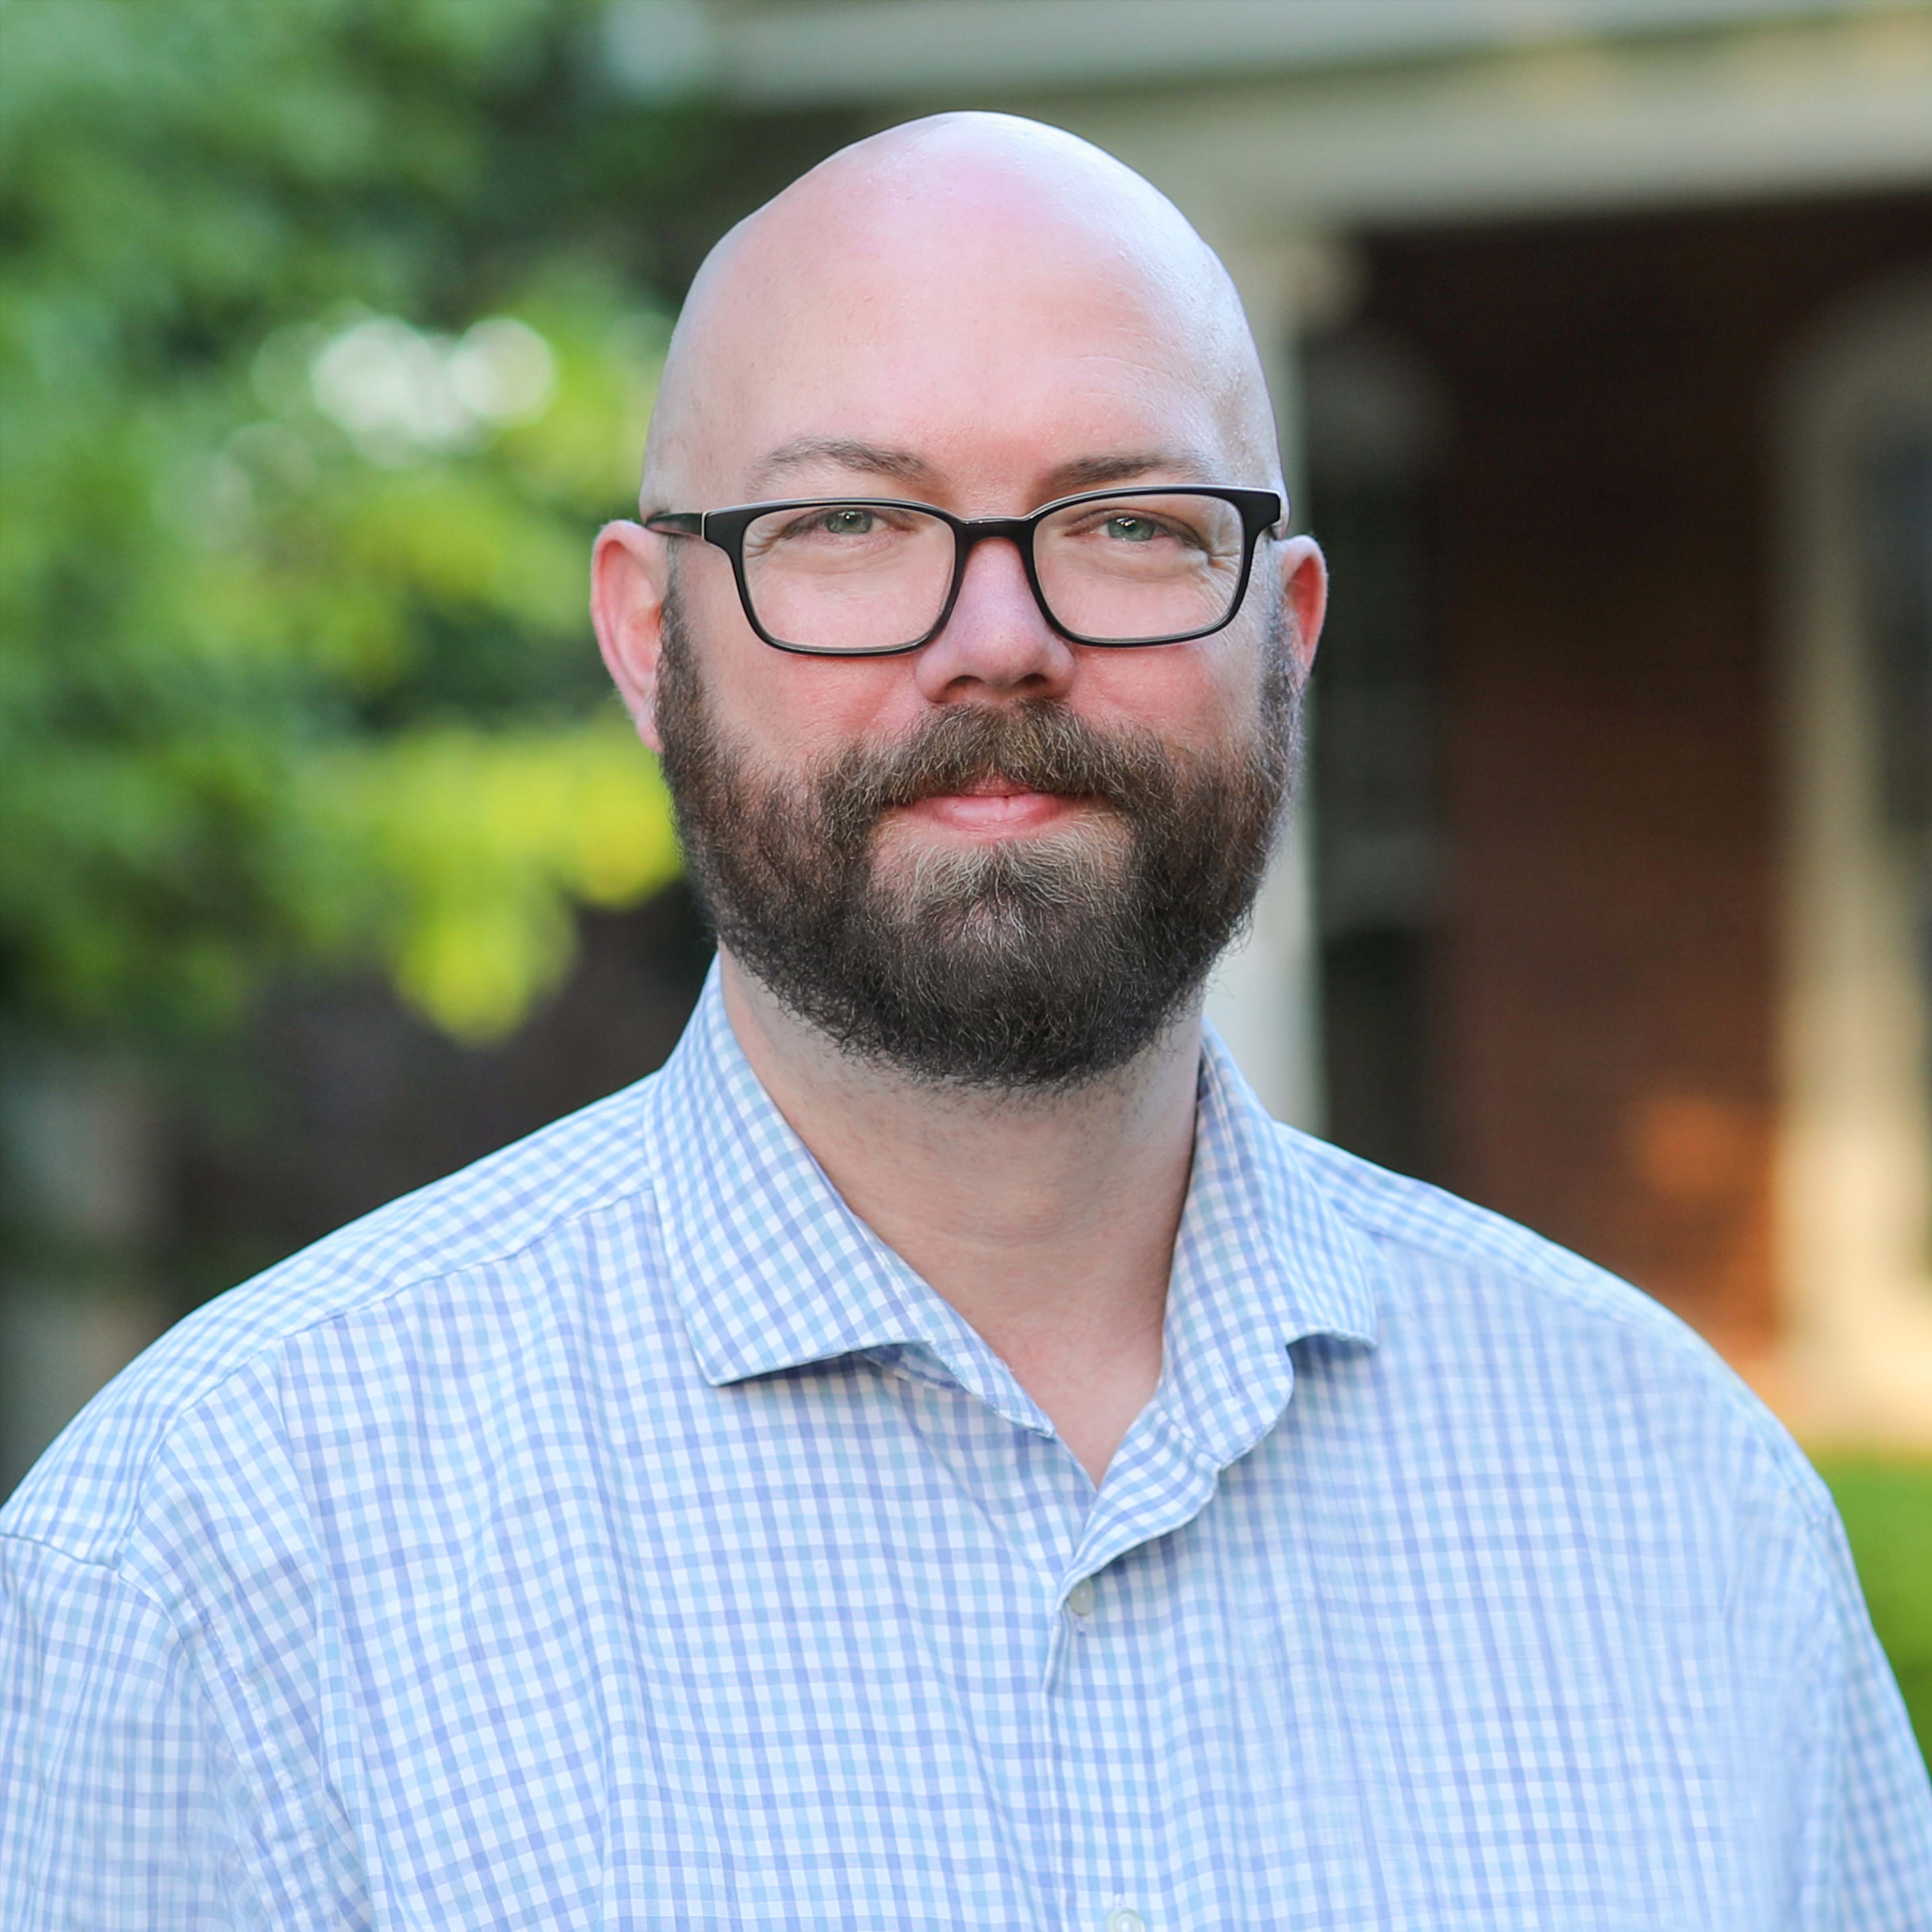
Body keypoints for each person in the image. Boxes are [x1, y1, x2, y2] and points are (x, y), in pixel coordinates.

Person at [2, 111, 1926, 1929]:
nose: (997, 634)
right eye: (847, 526)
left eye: (1128, 525)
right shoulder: (218, 1555)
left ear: (1291, 632)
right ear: (649, 639)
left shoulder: (1680, 1505)